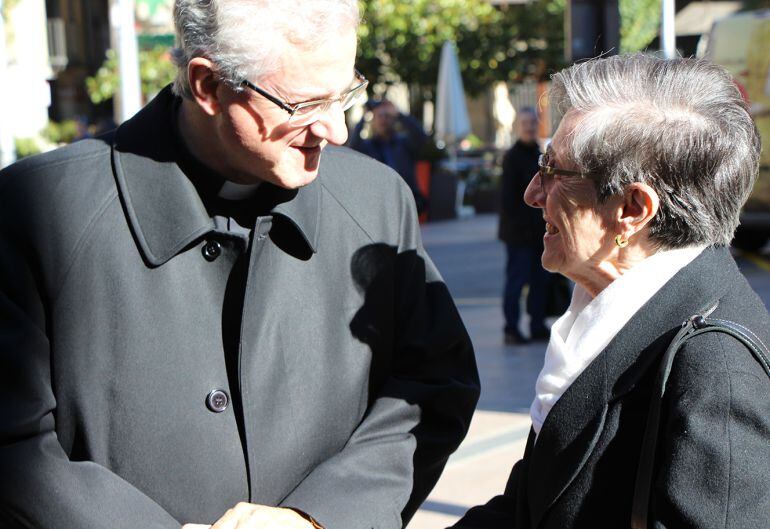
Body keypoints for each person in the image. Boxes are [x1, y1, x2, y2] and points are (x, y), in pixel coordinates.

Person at [0, 1, 480, 528]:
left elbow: (434, 384)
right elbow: (15, 443)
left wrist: (320, 516)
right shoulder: (36, 211)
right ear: (207, 85)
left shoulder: (377, 201)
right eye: (305, 104)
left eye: (345, 94)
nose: (337, 130)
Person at [452, 54, 770, 528]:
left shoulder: (716, 369)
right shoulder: (610, 311)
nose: (532, 193)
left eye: (553, 170)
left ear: (633, 209)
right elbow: (527, 509)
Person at [498, 107, 552, 344]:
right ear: (517, 127)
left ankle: (537, 325)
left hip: (539, 231)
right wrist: (521, 226)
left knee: (540, 281)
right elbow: (508, 200)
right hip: (518, 234)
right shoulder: (511, 157)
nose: (529, 127)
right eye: (524, 123)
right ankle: (511, 328)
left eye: (532, 122)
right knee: (517, 282)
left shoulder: (539, 155)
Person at [349, 99, 429, 213]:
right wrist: (364, 116)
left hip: (406, 201)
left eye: (387, 116)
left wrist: (399, 114)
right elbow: (353, 147)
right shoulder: (368, 147)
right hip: (379, 203)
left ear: (394, 119)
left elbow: (421, 136)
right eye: (379, 116)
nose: (383, 120)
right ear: (373, 121)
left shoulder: (404, 143)